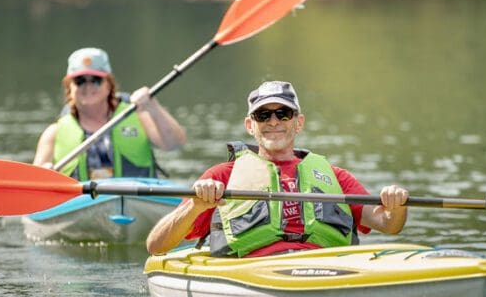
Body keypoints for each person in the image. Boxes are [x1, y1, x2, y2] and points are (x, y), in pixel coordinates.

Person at [146, 81, 409, 256]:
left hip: (326, 269)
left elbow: (388, 225)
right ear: (250, 125)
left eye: (283, 113)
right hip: (254, 272)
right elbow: (156, 246)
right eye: (263, 115)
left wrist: (397, 205)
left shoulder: (336, 176)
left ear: (299, 122)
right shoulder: (222, 176)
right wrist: (197, 205)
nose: (274, 121)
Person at [34, 47, 186, 179]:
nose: (88, 86)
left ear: (109, 85)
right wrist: (44, 174)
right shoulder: (53, 133)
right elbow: (34, 188)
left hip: (136, 203)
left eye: (96, 79)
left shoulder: (140, 117)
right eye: (80, 80)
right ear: (69, 88)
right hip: (78, 207)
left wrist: (154, 107)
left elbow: (174, 144)